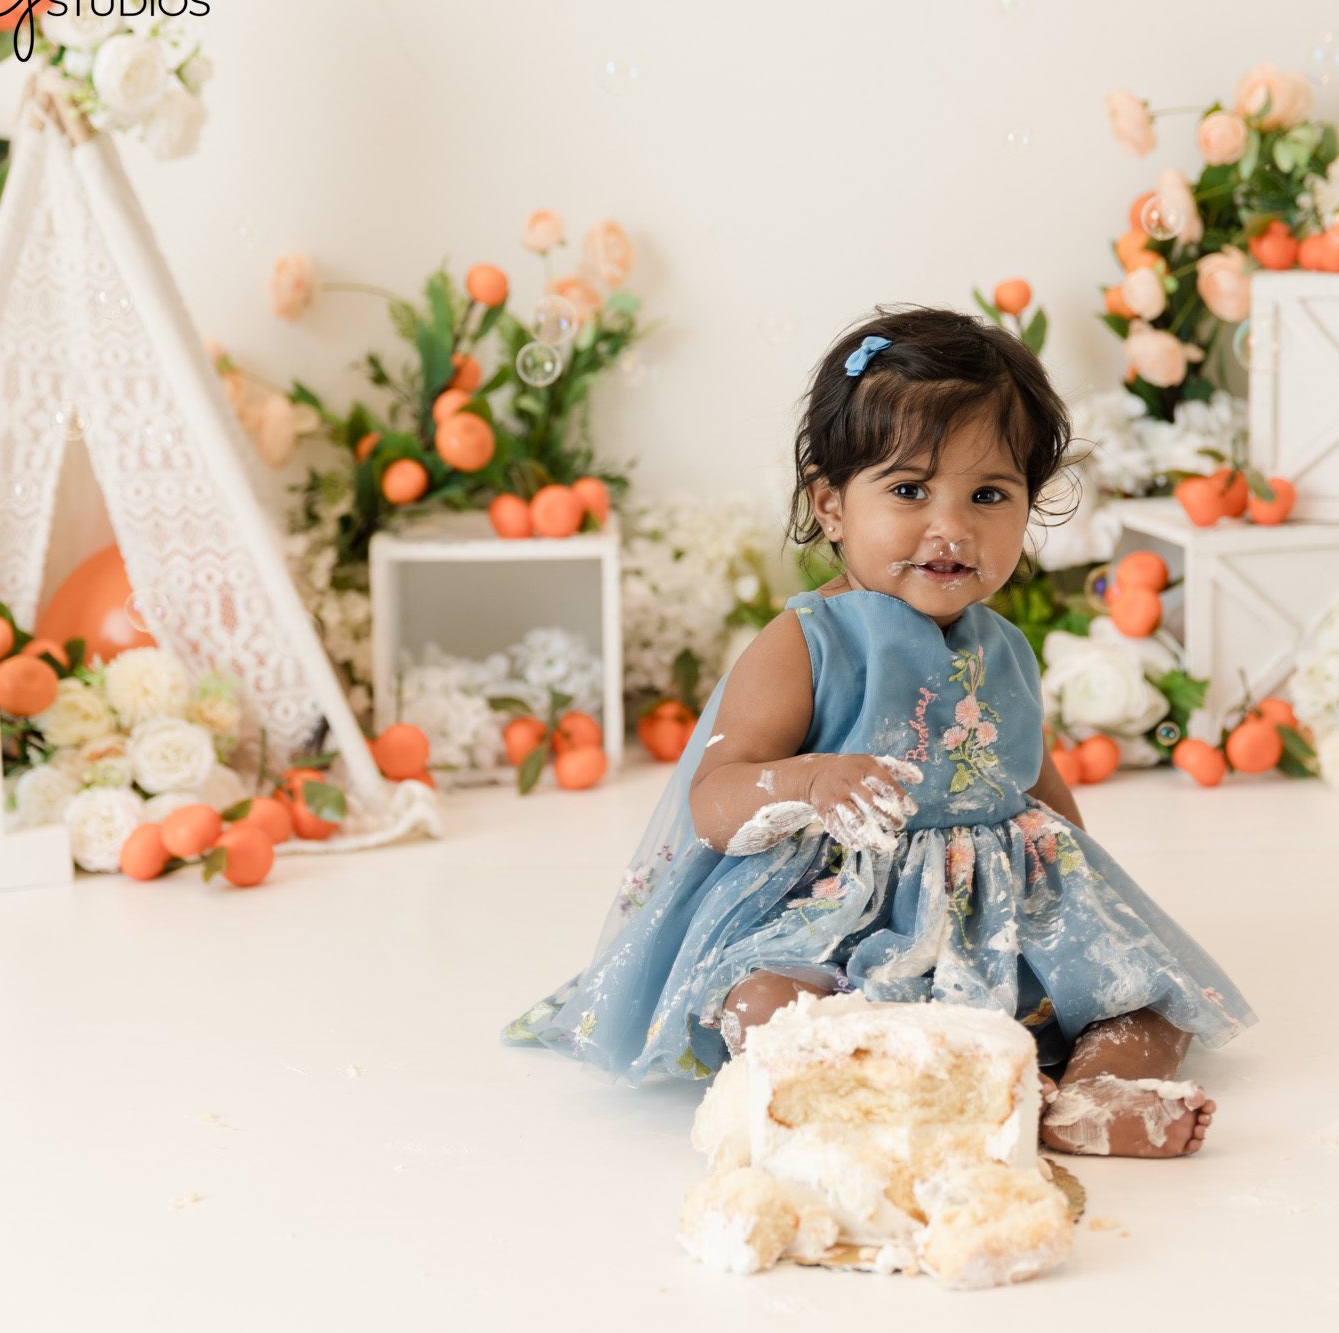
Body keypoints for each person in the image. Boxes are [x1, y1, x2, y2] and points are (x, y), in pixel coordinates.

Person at [505, 306, 1255, 1157]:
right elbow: (714, 797)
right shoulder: (808, 643)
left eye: (989, 494)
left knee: (1148, 999)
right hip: (837, 918)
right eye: (908, 490)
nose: (953, 526)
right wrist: (810, 780)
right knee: (762, 1005)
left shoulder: (1002, 644)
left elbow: (1026, 774)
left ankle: (1082, 1097)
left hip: (991, 909)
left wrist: (1083, 901)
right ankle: (911, 1075)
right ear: (830, 504)